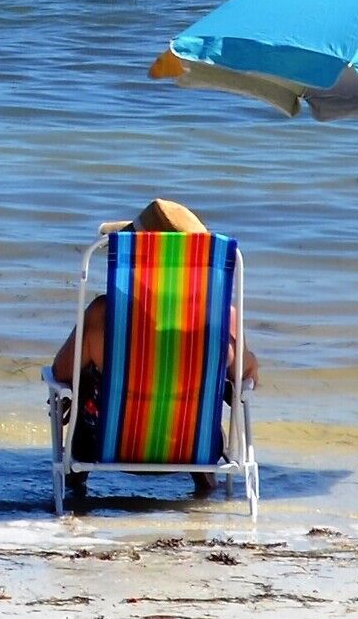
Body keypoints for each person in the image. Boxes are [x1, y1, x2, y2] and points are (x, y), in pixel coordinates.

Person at [49, 196, 256, 495]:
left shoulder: (103, 317)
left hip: (106, 445)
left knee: (84, 384)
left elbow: (62, 372)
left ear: (137, 263)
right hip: (197, 449)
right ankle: (204, 480)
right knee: (213, 390)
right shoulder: (224, 320)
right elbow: (246, 376)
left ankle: (75, 486)